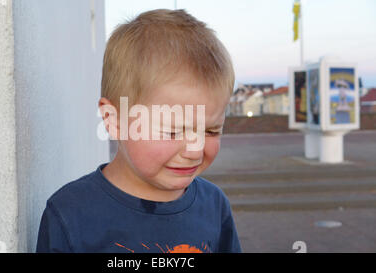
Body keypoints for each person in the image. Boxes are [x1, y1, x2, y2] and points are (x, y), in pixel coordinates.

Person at [36, 9, 241, 253]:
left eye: (211, 130)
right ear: (114, 121)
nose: (195, 151)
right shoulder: (70, 213)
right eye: (172, 132)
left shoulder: (215, 207)